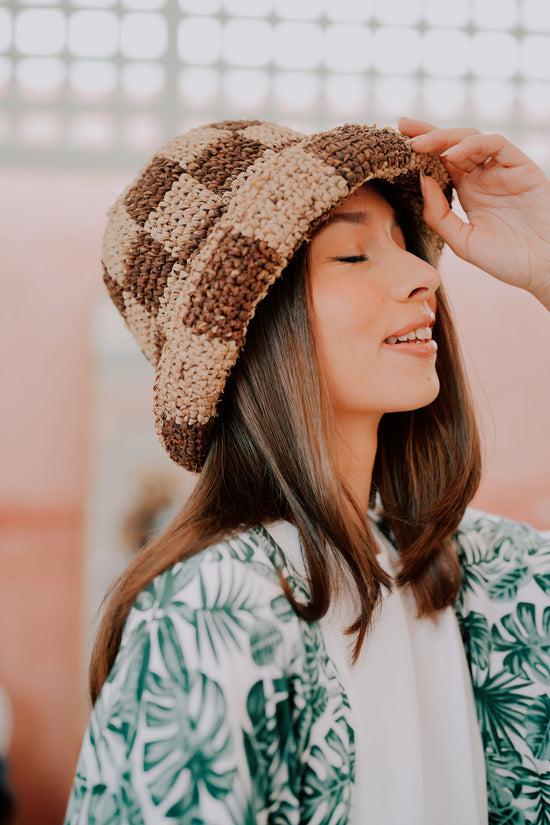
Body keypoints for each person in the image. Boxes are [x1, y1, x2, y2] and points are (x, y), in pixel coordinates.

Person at [64, 116, 550, 824]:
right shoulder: (212, 612)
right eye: (353, 255)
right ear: (256, 331)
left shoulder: (483, 575)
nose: (423, 274)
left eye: (402, 243)